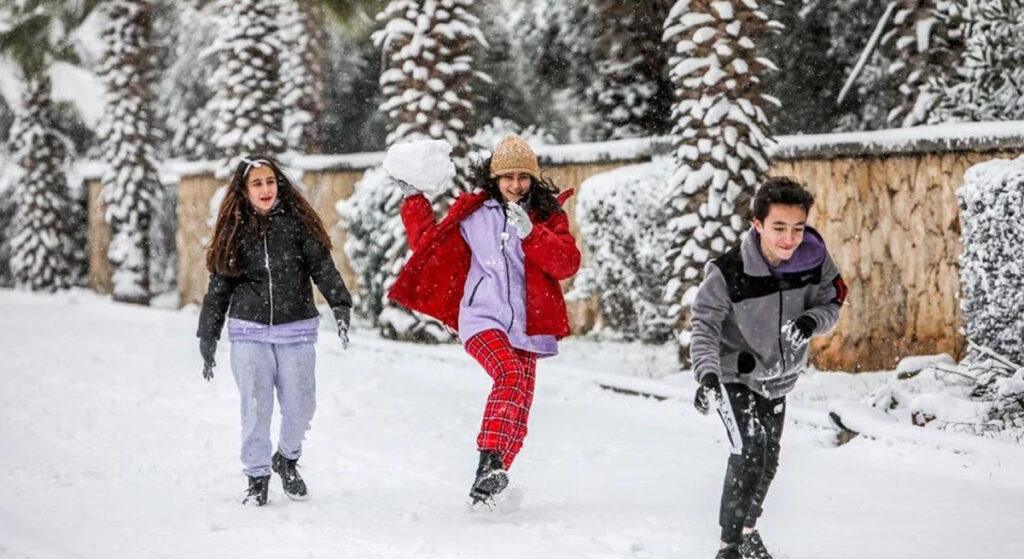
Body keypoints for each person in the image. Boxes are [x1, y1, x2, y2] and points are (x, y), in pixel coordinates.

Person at [387, 134, 581, 504]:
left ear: (533, 178)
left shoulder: (548, 216)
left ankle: (488, 486)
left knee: (519, 411)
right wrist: (414, 199)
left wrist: (531, 232)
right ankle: (489, 459)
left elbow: (567, 263)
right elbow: (428, 242)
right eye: (507, 177)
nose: (515, 185)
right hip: (481, 318)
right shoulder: (474, 212)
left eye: (523, 177)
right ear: (494, 178)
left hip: (529, 325)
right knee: (507, 375)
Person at [689, 177, 847, 558]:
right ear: (757, 224)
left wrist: (811, 321)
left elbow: (833, 304)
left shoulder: (815, 262)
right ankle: (729, 546)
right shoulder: (729, 271)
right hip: (733, 372)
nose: (789, 238)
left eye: (797, 228)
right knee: (748, 450)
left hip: (779, 377)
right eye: (779, 227)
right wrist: (707, 373)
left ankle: (746, 530)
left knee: (769, 459)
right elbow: (704, 323)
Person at [197, 155, 353, 506]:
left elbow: (322, 267)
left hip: (296, 327)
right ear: (245, 190)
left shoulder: (297, 224)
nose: (265, 189)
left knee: (301, 405)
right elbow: (219, 286)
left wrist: (340, 304)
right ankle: (256, 476)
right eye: (257, 183)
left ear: (278, 183)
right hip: (248, 330)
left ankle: (286, 457)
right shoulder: (235, 230)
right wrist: (208, 335)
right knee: (255, 406)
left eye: (270, 181)